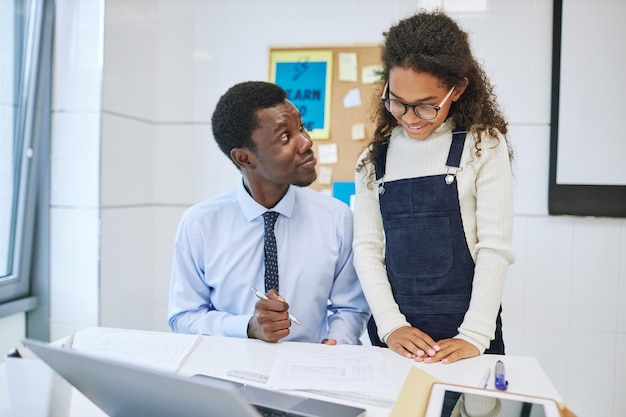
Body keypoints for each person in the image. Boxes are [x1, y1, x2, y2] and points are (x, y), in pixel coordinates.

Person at [353, 10, 515, 364]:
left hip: (467, 338)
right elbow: (366, 249)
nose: (409, 118)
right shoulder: (372, 159)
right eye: (397, 101)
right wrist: (391, 325)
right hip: (395, 340)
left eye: (426, 107)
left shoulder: (483, 145)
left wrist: (475, 335)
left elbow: (494, 248)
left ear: (457, 89)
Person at [168, 81, 370, 345]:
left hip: (308, 377)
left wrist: (337, 342)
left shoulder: (336, 219)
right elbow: (183, 316)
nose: (307, 142)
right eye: (285, 137)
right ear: (244, 158)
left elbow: (350, 308)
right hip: (227, 376)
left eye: (302, 128)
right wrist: (246, 327)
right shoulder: (199, 225)